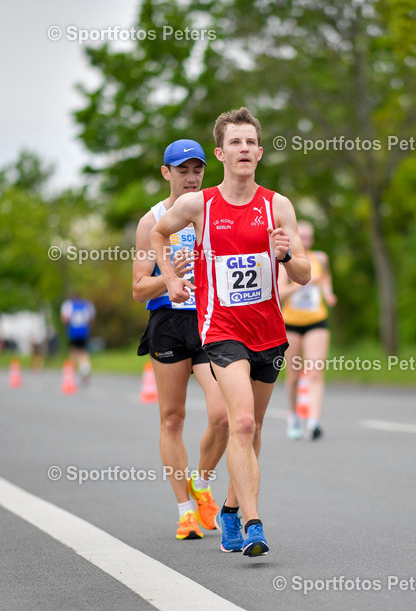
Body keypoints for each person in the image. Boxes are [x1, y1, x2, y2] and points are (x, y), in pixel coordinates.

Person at [151, 107, 311, 557]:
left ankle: (227, 507)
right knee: (238, 421)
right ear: (221, 153)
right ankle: (253, 522)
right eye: (234, 143)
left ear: (259, 153)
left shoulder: (277, 205)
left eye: (250, 143)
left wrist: (284, 256)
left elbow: (304, 274)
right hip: (220, 330)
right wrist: (170, 277)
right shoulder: (198, 205)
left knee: (253, 426)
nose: (243, 149)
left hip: (269, 331)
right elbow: (160, 236)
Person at [133, 138, 227, 541]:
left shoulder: (216, 210)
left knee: (223, 414)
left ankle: (202, 482)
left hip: (211, 322)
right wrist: (168, 274)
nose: (191, 177)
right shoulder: (151, 220)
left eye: (197, 170)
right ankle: (185, 511)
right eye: (182, 170)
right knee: (173, 418)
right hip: (169, 322)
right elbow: (139, 289)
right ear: (166, 173)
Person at [278, 220, 336, 440]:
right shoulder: (285, 261)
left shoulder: (320, 258)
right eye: (301, 237)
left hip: (316, 320)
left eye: (309, 237)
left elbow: (326, 277)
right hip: (291, 323)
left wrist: (328, 293)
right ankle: (293, 415)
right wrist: (303, 283)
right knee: (293, 375)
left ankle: (313, 421)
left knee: (315, 370)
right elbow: (280, 294)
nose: (306, 242)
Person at [60, 293, 96, 386]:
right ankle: (85, 369)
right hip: (84, 331)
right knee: (83, 352)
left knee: (74, 352)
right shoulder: (87, 304)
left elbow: (65, 318)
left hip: (73, 331)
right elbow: (91, 319)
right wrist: (89, 329)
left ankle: (73, 373)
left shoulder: (68, 305)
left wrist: (66, 328)